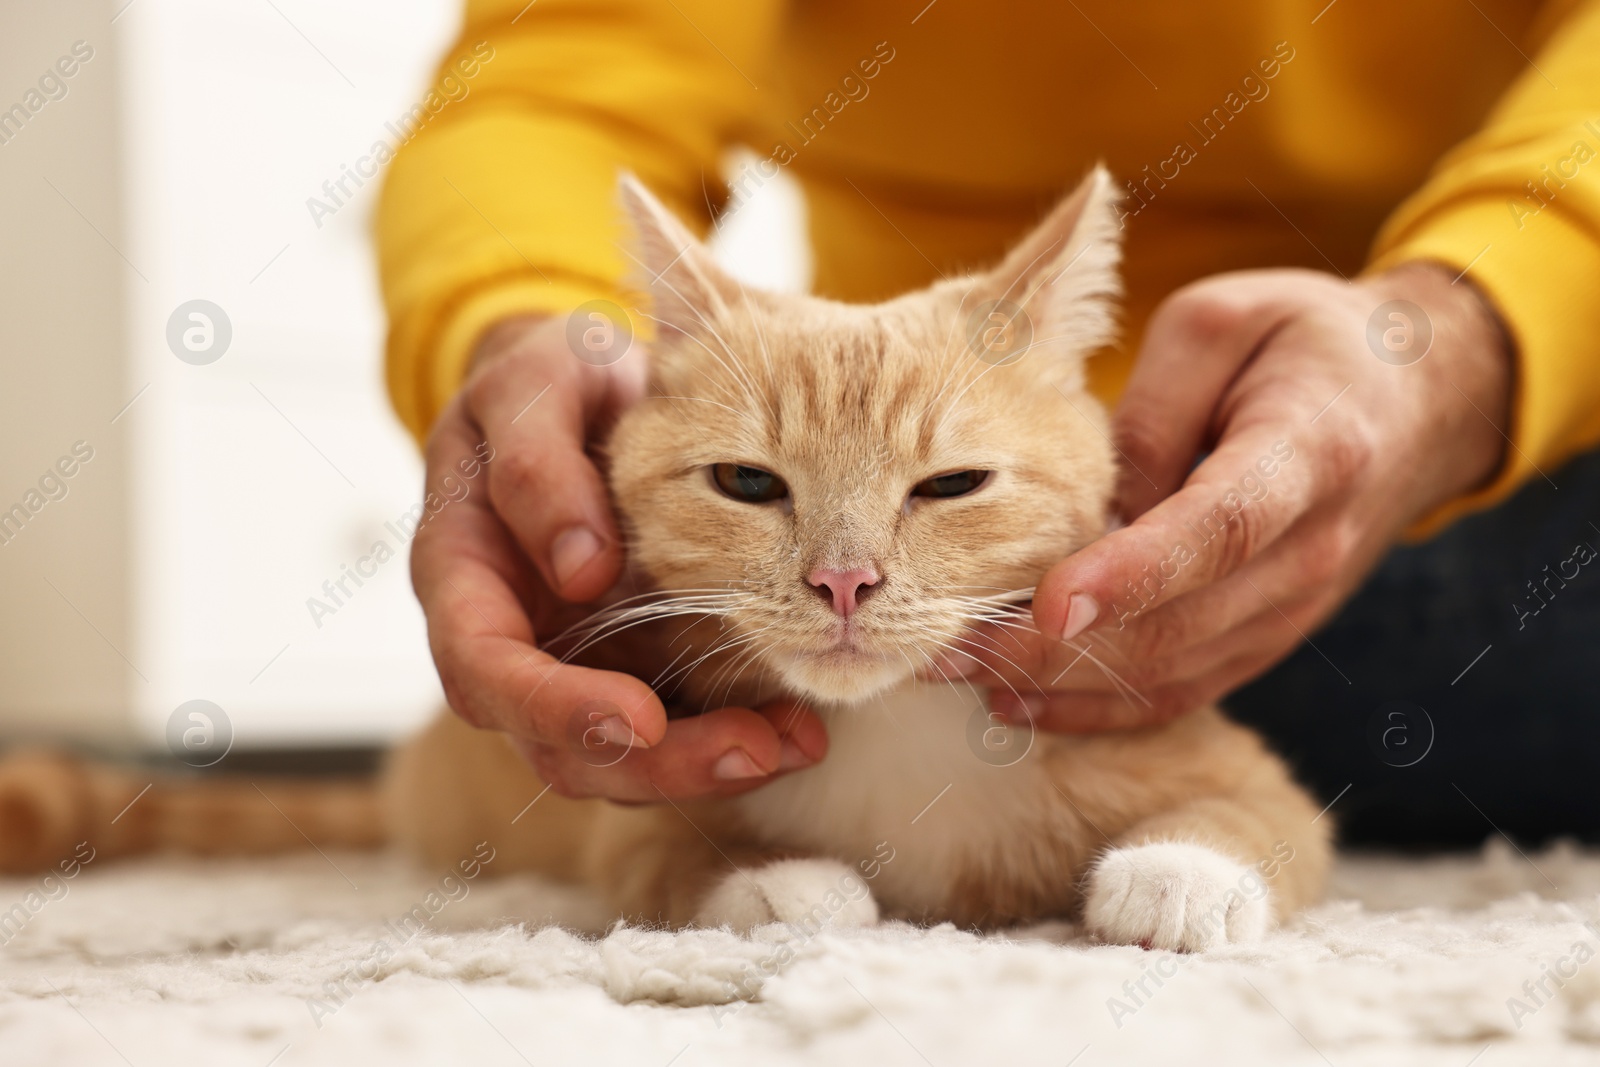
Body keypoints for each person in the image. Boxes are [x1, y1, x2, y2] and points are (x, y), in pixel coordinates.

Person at [375, 0, 1600, 843]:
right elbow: (554, 79)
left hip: (1492, 417)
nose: (843, 575)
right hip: (1018, 550)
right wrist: (511, 323)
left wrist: (1465, 337)